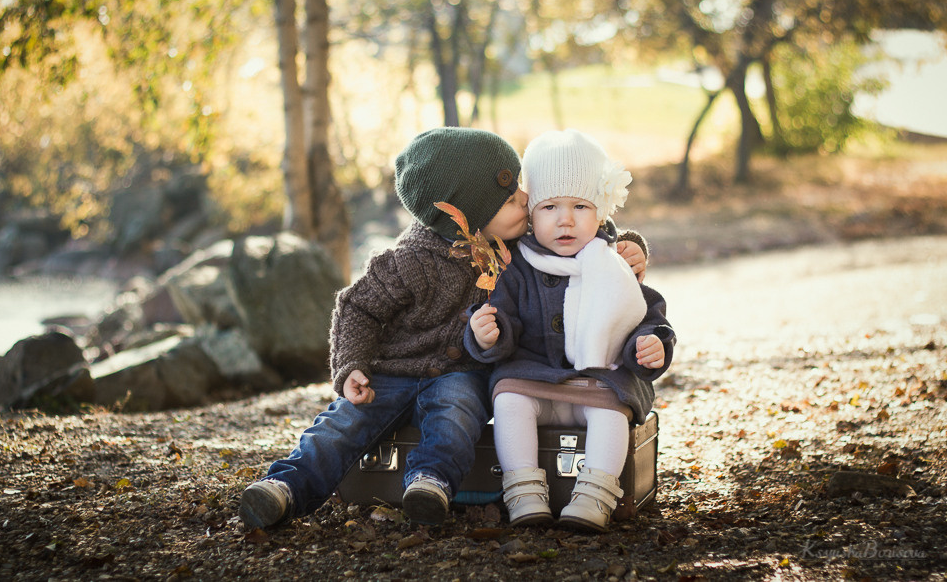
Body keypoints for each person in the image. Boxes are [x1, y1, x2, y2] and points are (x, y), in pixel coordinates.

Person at [238, 127, 649, 530]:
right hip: (393, 371)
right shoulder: (409, 261)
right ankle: (284, 486)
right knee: (344, 424)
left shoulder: (511, 240)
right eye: (510, 198)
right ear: (468, 216)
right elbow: (357, 307)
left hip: (461, 373)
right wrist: (351, 366)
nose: (527, 200)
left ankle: (429, 484)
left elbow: (576, 232)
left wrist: (627, 246)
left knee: (456, 416)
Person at [464, 128, 676, 533]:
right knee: (507, 399)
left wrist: (649, 345)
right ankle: (523, 491)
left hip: (598, 382)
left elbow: (645, 314)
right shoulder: (517, 265)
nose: (565, 219)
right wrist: (489, 333)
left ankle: (595, 493)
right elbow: (502, 314)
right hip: (534, 377)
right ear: (530, 214)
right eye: (549, 207)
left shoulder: (613, 263)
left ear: (601, 211)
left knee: (612, 410)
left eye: (580, 205)